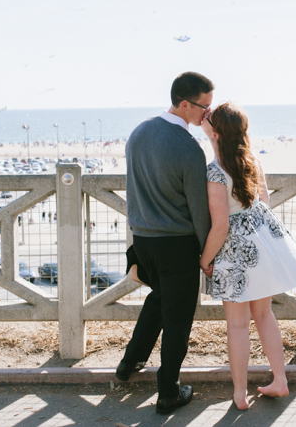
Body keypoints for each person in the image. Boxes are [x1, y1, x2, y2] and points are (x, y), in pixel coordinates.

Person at [199, 102, 296, 411]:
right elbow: (263, 205)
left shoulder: (214, 171)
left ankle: (239, 394)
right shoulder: (252, 161)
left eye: (210, 122)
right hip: (261, 249)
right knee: (264, 315)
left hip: (234, 253)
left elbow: (220, 226)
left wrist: (205, 260)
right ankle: (280, 380)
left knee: (237, 324)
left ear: (217, 132)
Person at [115, 72, 213, 415]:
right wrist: (206, 253)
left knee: (159, 301)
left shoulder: (139, 133)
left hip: (143, 240)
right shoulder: (188, 148)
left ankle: (129, 365)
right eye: (204, 107)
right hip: (177, 245)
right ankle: (168, 391)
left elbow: (133, 189)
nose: (207, 114)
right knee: (177, 319)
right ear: (185, 104)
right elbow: (199, 211)